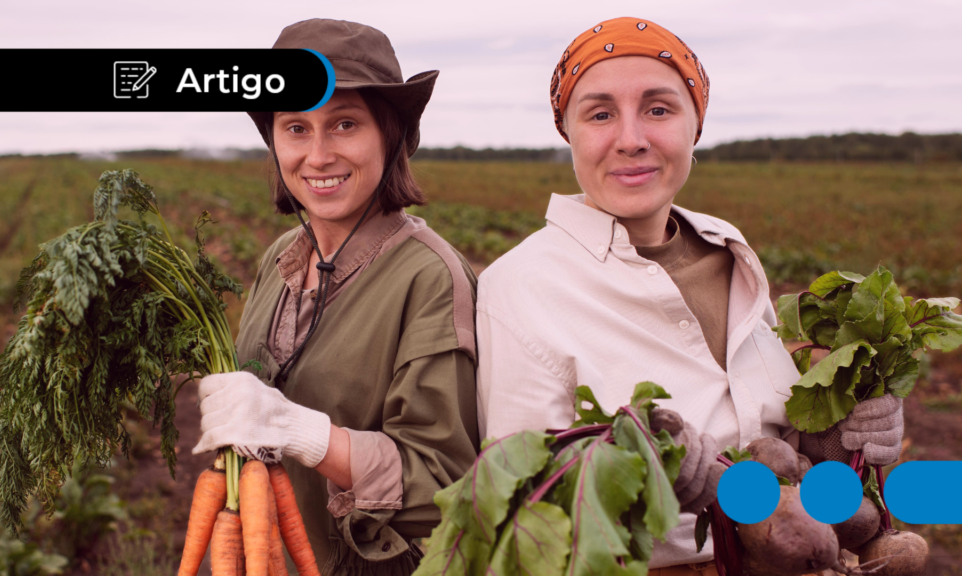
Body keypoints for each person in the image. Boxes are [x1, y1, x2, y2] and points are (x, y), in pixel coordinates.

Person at [475, 17, 904, 574]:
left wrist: (841, 435)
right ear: (568, 133)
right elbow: (524, 504)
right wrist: (645, 479)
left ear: (695, 125)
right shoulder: (520, 285)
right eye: (600, 114)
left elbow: (774, 435)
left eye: (659, 109)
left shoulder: (729, 250)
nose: (631, 139)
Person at [191, 19, 480, 575]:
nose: (318, 155)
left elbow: (444, 487)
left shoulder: (429, 279)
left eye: (344, 124)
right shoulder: (281, 257)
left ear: (390, 135)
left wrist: (302, 433)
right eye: (296, 128)